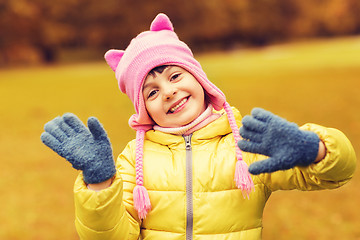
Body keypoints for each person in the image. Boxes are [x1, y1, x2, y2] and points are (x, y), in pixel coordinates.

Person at [40, 13, 356, 240]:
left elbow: (339, 172)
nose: (168, 91)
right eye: (151, 91)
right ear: (143, 108)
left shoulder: (243, 145)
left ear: (199, 79)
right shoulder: (133, 160)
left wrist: (313, 148)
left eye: (175, 76)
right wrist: (100, 184)